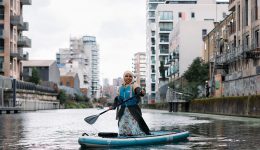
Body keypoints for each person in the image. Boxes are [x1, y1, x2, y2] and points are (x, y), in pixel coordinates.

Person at [110, 70, 151, 136]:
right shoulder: (120, 88)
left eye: (130, 76)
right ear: (124, 77)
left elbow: (139, 91)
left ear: (132, 78)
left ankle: (138, 135)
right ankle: (123, 136)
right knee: (122, 124)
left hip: (133, 110)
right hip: (123, 111)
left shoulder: (134, 85)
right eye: (126, 76)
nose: (128, 78)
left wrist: (141, 92)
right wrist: (113, 106)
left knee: (135, 125)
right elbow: (118, 100)